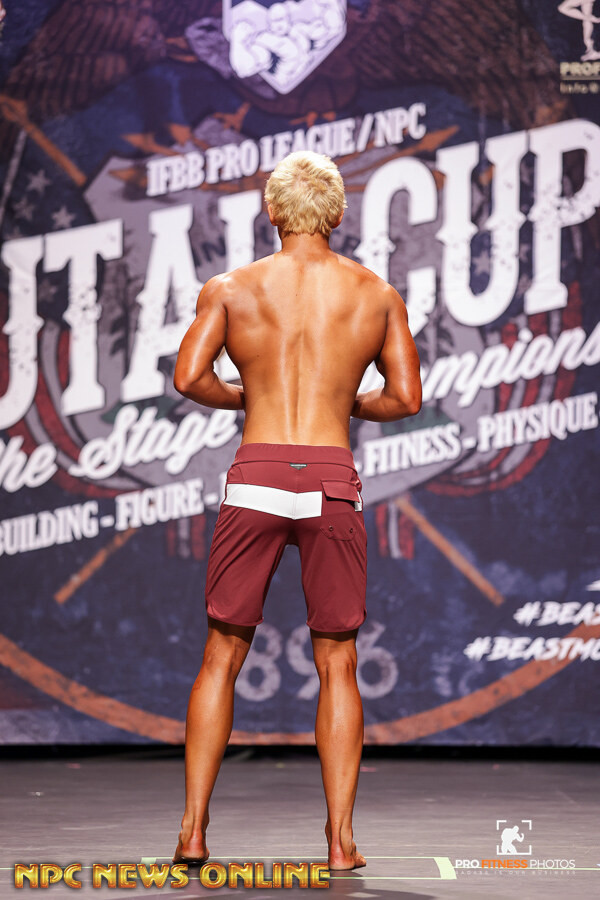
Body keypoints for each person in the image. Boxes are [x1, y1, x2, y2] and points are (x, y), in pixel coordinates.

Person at [172, 150, 422, 871]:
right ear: (337, 213)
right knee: (338, 661)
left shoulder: (231, 288)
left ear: (272, 212)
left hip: (256, 473)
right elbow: (406, 398)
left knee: (222, 654)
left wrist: (249, 398)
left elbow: (189, 377)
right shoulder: (376, 294)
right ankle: (340, 842)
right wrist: (346, 405)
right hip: (330, 478)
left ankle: (193, 832)